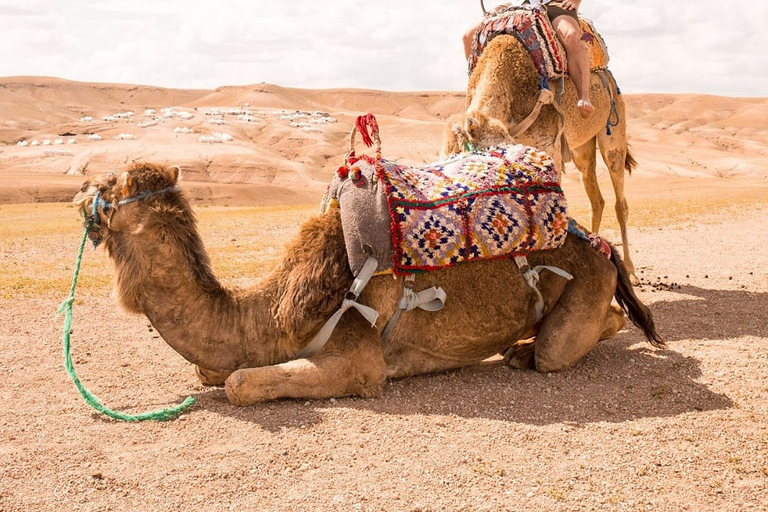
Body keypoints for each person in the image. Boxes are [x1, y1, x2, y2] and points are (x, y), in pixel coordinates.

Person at [462, 0, 594, 118]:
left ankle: (584, 96)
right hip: (516, 5)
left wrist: (576, 1)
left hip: (552, 4)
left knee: (571, 35)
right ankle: (477, 92)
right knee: (468, 36)